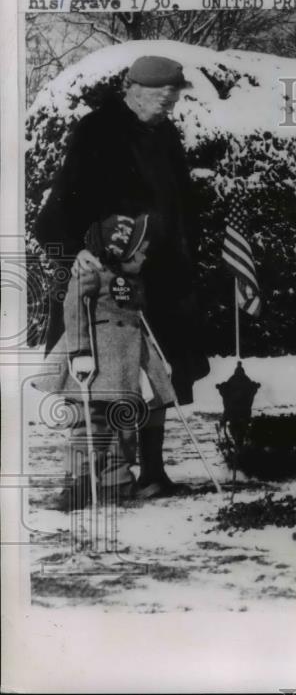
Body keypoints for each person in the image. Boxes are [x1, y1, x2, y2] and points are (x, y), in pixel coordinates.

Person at [35, 55, 209, 499]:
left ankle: (153, 473)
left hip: (163, 274)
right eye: (159, 93)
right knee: (94, 376)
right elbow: (60, 206)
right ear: (130, 89)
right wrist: (75, 254)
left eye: (174, 94)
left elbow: (179, 199)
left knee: (161, 371)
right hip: (104, 276)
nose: (169, 101)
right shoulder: (97, 130)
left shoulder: (165, 132)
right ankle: (95, 479)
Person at [38, 213, 176, 509]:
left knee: (124, 426)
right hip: (95, 364)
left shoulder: (133, 280)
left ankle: (118, 484)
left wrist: (155, 359)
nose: (144, 257)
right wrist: (80, 351)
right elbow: (74, 310)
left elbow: (138, 318)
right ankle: (78, 484)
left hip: (126, 364)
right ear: (119, 250)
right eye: (139, 251)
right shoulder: (92, 273)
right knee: (89, 425)